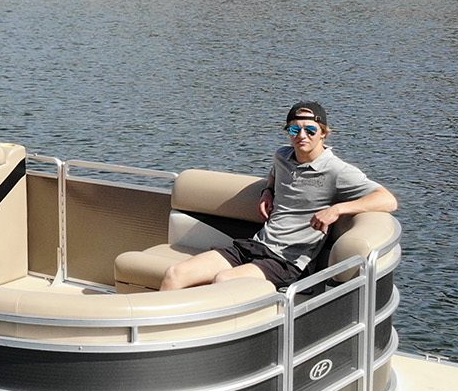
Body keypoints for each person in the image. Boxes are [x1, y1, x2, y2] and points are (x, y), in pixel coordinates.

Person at [161, 101, 399, 292]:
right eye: (295, 129)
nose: (301, 136)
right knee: (175, 274)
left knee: (225, 281)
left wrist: (336, 209)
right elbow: (275, 175)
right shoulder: (282, 156)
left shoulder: (337, 170)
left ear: (324, 134)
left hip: (289, 261)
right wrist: (267, 191)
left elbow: (388, 200)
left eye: (310, 130)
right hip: (256, 244)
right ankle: (162, 345)